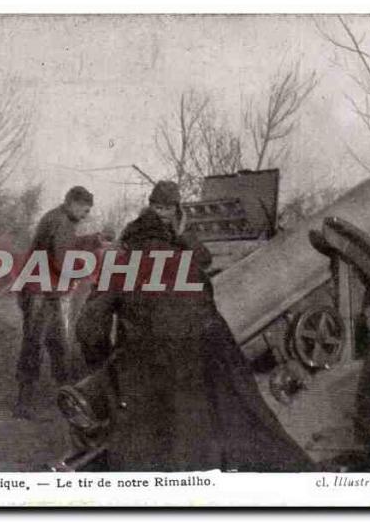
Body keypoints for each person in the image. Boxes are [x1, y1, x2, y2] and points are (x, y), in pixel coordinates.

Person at [75, 180, 315, 471]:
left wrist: (107, 365)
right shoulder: (186, 263)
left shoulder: (120, 261)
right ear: (171, 221)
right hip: (193, 381)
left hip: (141, 378)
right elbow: (208, 315)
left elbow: (89, 328)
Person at [14, 186, 101, 419]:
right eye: (85, 209)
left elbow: (66, 246)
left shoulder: (57, 218)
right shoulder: (62, 223)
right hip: (41, 292)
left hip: (43, 291)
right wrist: (91, 269)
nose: (86, 215)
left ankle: (65, 401)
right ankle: (26, 405)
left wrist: (94, 240)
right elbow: (64, 261)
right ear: (73, 202)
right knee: (37, 345)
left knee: (56, 345)